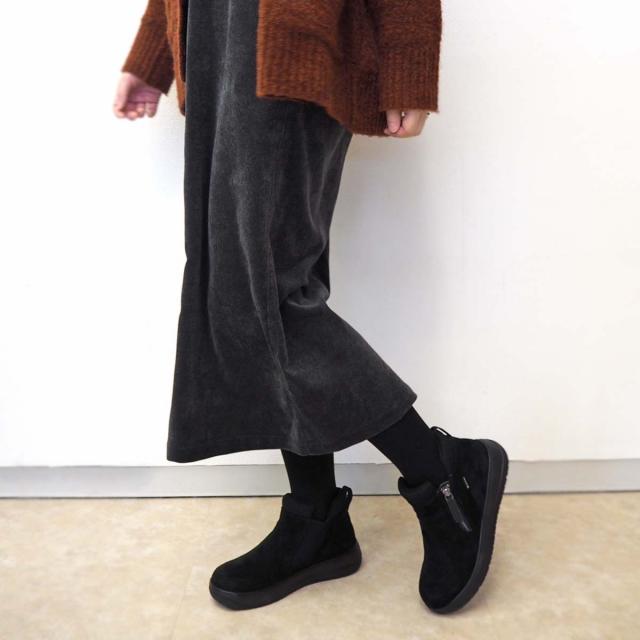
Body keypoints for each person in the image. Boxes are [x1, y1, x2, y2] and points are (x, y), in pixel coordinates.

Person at [114, 0, 508, 614]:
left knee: (268, 298)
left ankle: (441, 469)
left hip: (290, 42)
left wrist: (407, 71)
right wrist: (153, 55)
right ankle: (316, 516)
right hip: (213, 43)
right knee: (241, 285)